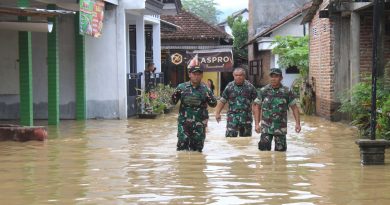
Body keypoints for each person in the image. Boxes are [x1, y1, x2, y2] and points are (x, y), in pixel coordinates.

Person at [171, 66, 217, 152]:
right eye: (194, 74)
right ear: (189, 75)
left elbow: (213, 104)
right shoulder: (181, 87)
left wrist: (209, 96)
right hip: (184, 123)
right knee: (182, 148)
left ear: (202, 75)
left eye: (198, 74)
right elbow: (172, 102)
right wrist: (174, 94)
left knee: (197, 149)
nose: (196, 76)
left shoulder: (206, 89)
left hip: (199, 124)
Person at [257, 68, 301, 152]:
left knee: (281, 154)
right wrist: (256, 124)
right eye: (271, 76)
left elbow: (294, 108)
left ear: (281, 78)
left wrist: (298, 124)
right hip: (266, 128)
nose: (273, 78)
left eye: (276, 76)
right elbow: (256, 106)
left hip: (281, 128)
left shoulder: (287, 91)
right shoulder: (263, 91)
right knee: (264, 154)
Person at [215, 68, 261, 137]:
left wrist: (257, 123)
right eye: (236, 75)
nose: (238, 77)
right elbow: (222, 101)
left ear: (244, 76)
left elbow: (256, 105)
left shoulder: (250, 87)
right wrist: (217, 113)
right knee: (230, 139)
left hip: (246, 119)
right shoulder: (229, 87)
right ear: (233, 76)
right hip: (232, 118)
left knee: (246, 141)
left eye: (240, 75)